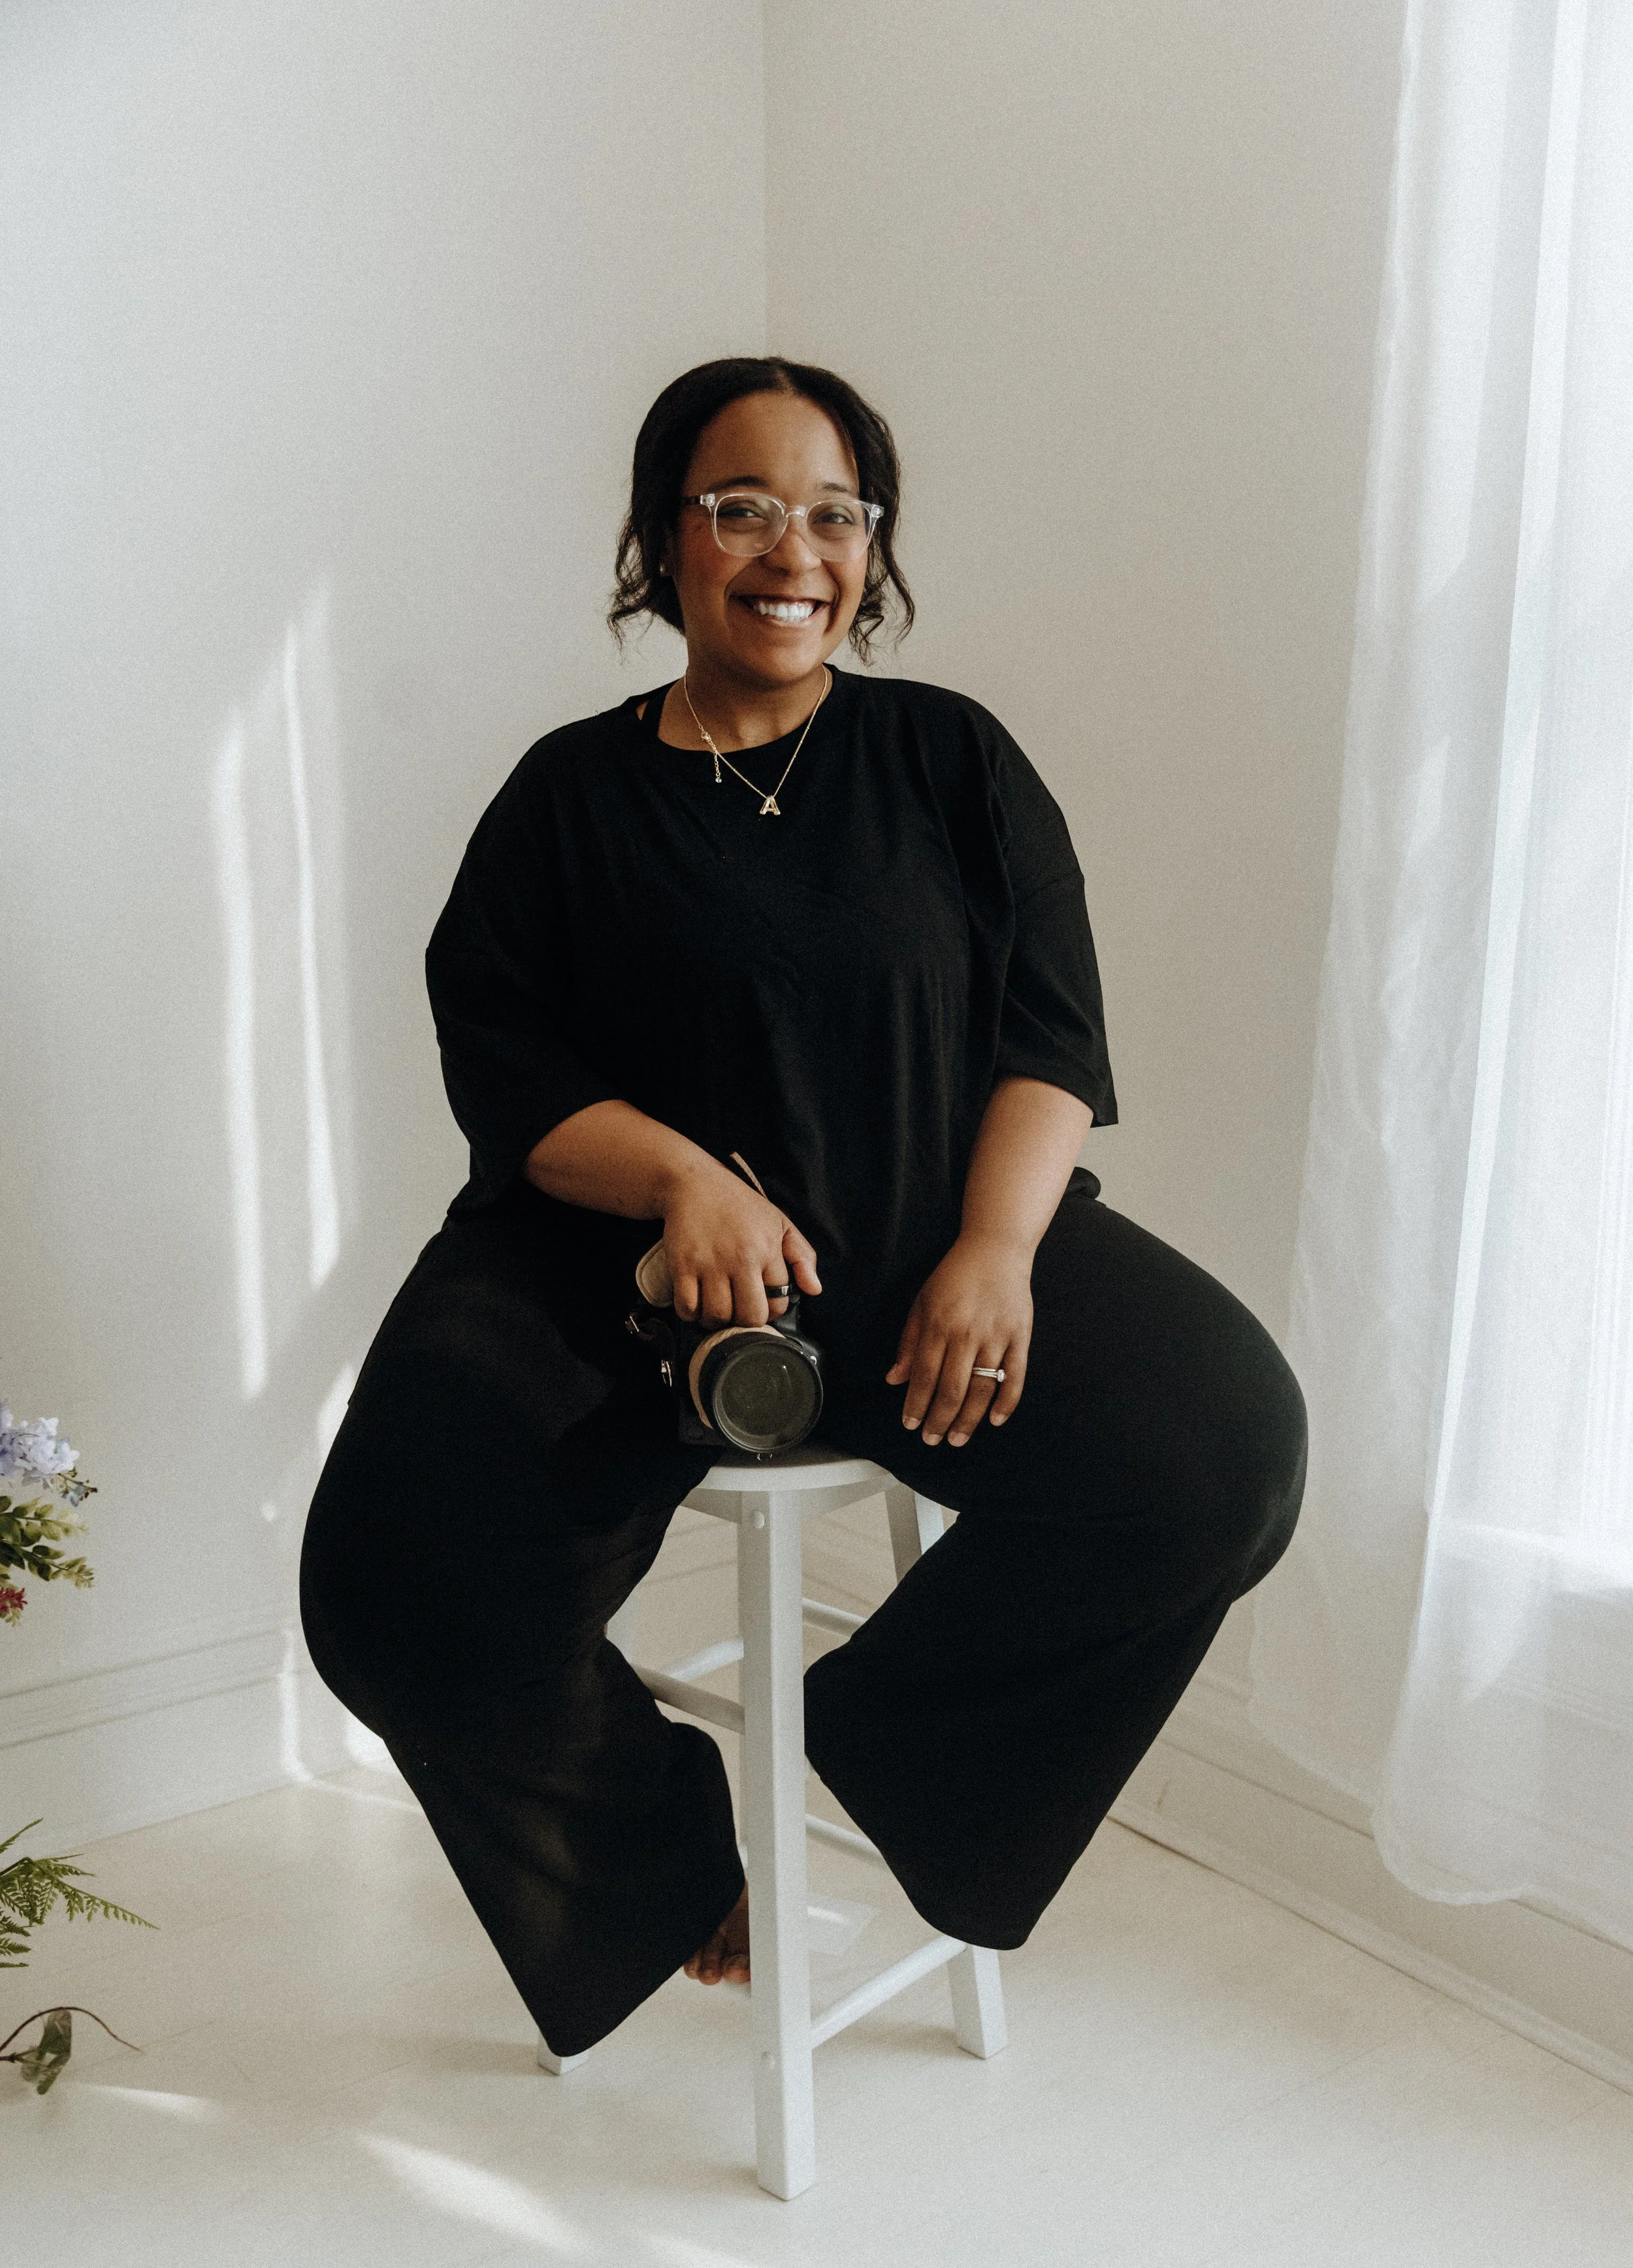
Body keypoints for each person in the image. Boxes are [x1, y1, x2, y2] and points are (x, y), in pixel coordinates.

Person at [299, 355, 1307, 2062]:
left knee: (1224, 1455)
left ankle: (882, 1748)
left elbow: (1048, 1039)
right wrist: (681, 1176)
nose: (795, 548)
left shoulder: (949, 758)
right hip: (613, 1274)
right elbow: (507, 1063)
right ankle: (668, 1867)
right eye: (743, 505)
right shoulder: (566, 797)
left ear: (872, 545)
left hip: (932, 1247)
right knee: (389, 1584)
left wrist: (996, 1250)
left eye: (835, 511)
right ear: (664, 538)